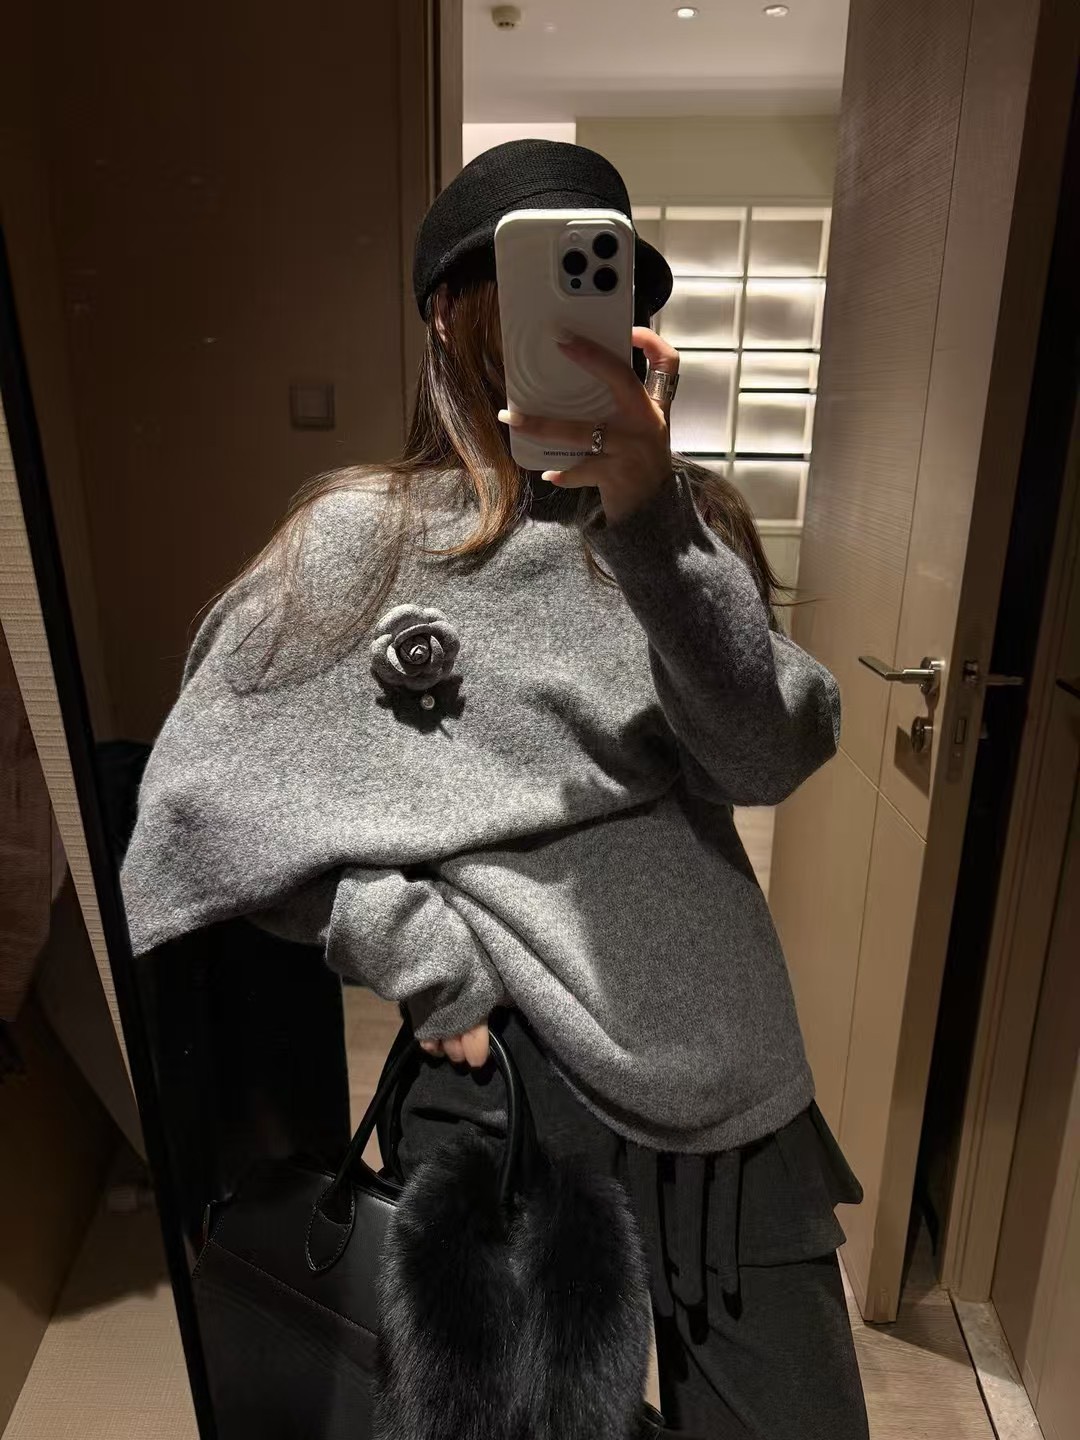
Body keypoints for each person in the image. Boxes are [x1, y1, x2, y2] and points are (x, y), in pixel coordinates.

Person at [122, 140, 869, 1439]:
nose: (576, 324)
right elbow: (202, 806)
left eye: (602, 287)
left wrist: (650, 515)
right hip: (504, 1085)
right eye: (535, 287)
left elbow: (762, 758)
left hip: (729, 1071)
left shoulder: (681, 525)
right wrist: (406, 941)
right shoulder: (363, 540)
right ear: (451, 314)